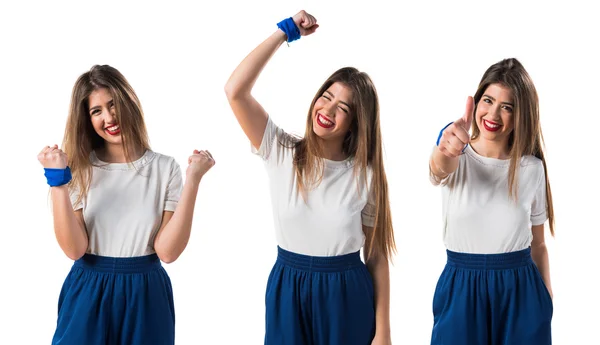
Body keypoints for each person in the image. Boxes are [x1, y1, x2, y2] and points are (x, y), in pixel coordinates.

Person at [225, 10, 395, 345]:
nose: (328, 110)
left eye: (343, 108)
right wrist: (286, 31)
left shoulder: (365, 175)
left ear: (355, 124)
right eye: (326, 97)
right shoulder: (280, 149)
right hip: (288, 287)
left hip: (347, 293)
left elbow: (376, 257)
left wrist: (383, 331)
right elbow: (235, 90)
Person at [38, 64, 215, 345]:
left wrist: (193, 180)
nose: (108, 117)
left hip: (146, 291)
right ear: (87, 119)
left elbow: (167, 253)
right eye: (97, 111)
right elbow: (74, 249)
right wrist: (57, 180)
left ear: (128, 101)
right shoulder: (81, 169)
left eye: (113, 105)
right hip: (88, 287)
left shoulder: (165, 168)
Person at [429, 58, 554, 345]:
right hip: (461, 286)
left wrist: (546, 300)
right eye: (488, 100)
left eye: (507, 107)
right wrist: (445, 146)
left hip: (521, 290)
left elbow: (539, 243)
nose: (493, 114)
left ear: (522, 114)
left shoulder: (531, 168)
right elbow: (439, 167)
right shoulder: (455, 153)